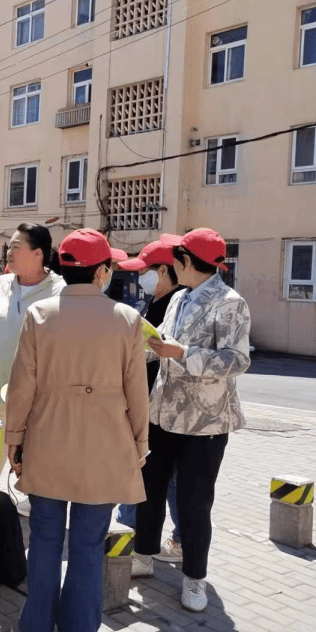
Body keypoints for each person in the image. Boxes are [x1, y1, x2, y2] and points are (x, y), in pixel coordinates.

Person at [5, 228, 149, 632]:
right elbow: (137, 391)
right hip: (106, 445)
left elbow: (22, 387)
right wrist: (140, 443)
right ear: (102, 271)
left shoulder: (40, 314)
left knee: (46, 541)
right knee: (88, 547)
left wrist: (14, 439)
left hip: (48, 440)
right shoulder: (127, 319)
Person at [133, 228, 251, 613]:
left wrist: (183, 352)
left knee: (194, 502)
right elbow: (162, 344)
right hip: (164, 412)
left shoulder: (231, 303)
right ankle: (144, 555)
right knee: (149, 489)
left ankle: (194, 578)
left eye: (175, 261)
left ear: (187, 262)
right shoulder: (179, 297)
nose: (169, 268)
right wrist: (141, 350)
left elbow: (237, 360)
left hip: (206, 424)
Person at [116, 240, 185, 560]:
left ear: (163, 271)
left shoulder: (174, 306)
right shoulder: (156, 302)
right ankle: (144, 534)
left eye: (144, 271)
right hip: (151, 406)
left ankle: (130, 537)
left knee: (152, 474)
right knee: (165, 477)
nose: (139, 277)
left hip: (159, 410)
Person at [0, 223, 65, 424]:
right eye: (9, 247)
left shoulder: (59, 292)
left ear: (38, 254)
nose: (9, 252)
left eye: (15, 247)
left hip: (37, 407)